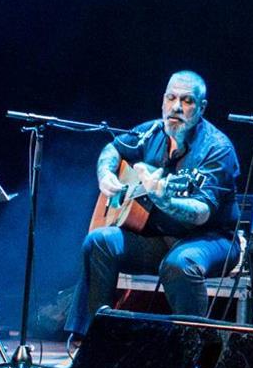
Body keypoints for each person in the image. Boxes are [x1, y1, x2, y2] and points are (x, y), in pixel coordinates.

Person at [70, 70, 241, 339]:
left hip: (211, 239)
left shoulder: (217, 148)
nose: (176, 107)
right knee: (99, 240)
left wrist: (165, 200)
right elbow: (112, 149)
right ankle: (93, 339)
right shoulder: (150, 131)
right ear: (163, 100)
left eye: (187, 101)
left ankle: (191, 350)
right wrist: (106, 176)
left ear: (202, 107)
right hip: (157, 238)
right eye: (171, 98)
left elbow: (202, 212)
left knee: (180, 264)